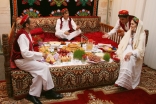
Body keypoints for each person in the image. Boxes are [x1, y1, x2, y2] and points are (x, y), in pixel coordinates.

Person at [11, 15, 63, 104]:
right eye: (33, 23)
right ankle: (49, 91)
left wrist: (38, 55)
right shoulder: (22, 35)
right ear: (27, 25)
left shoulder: (27, 33)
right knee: (44, 68)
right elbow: (25, 53)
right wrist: (42, 55)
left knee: (39, 73)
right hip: (20, 60)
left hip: (25, 58)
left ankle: (32, 95)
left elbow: (28, 51)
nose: (35, 24)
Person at [114, 17, 146, 90]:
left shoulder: (142, 34)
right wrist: (120, 51)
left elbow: (140, 50)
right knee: (125, 55)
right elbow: (123, 43)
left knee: (129, 58)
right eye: (130, 24)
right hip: (127, 48)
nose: (131, 26)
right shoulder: (129, 31)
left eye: (132, 24)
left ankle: (126, 83)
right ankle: (121, 81)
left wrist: (131, 53)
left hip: (135, 52)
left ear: (137, 25)